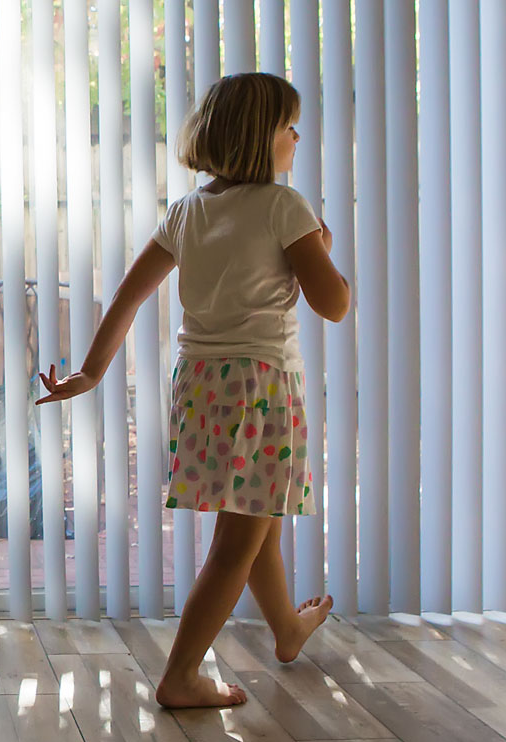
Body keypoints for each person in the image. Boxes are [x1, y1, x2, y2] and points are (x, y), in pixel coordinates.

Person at [38, 72, 351, 709]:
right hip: (260, 386)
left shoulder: (186, 211)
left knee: (254, 520)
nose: (297, 137)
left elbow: (126, 297)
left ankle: (286, 628)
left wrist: (92, 372)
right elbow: (335, 304)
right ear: (262, 138)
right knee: (239, 538)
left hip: (202, 388)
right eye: (290, 126)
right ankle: (181, 675)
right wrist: (321, 244)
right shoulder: (286, 207)